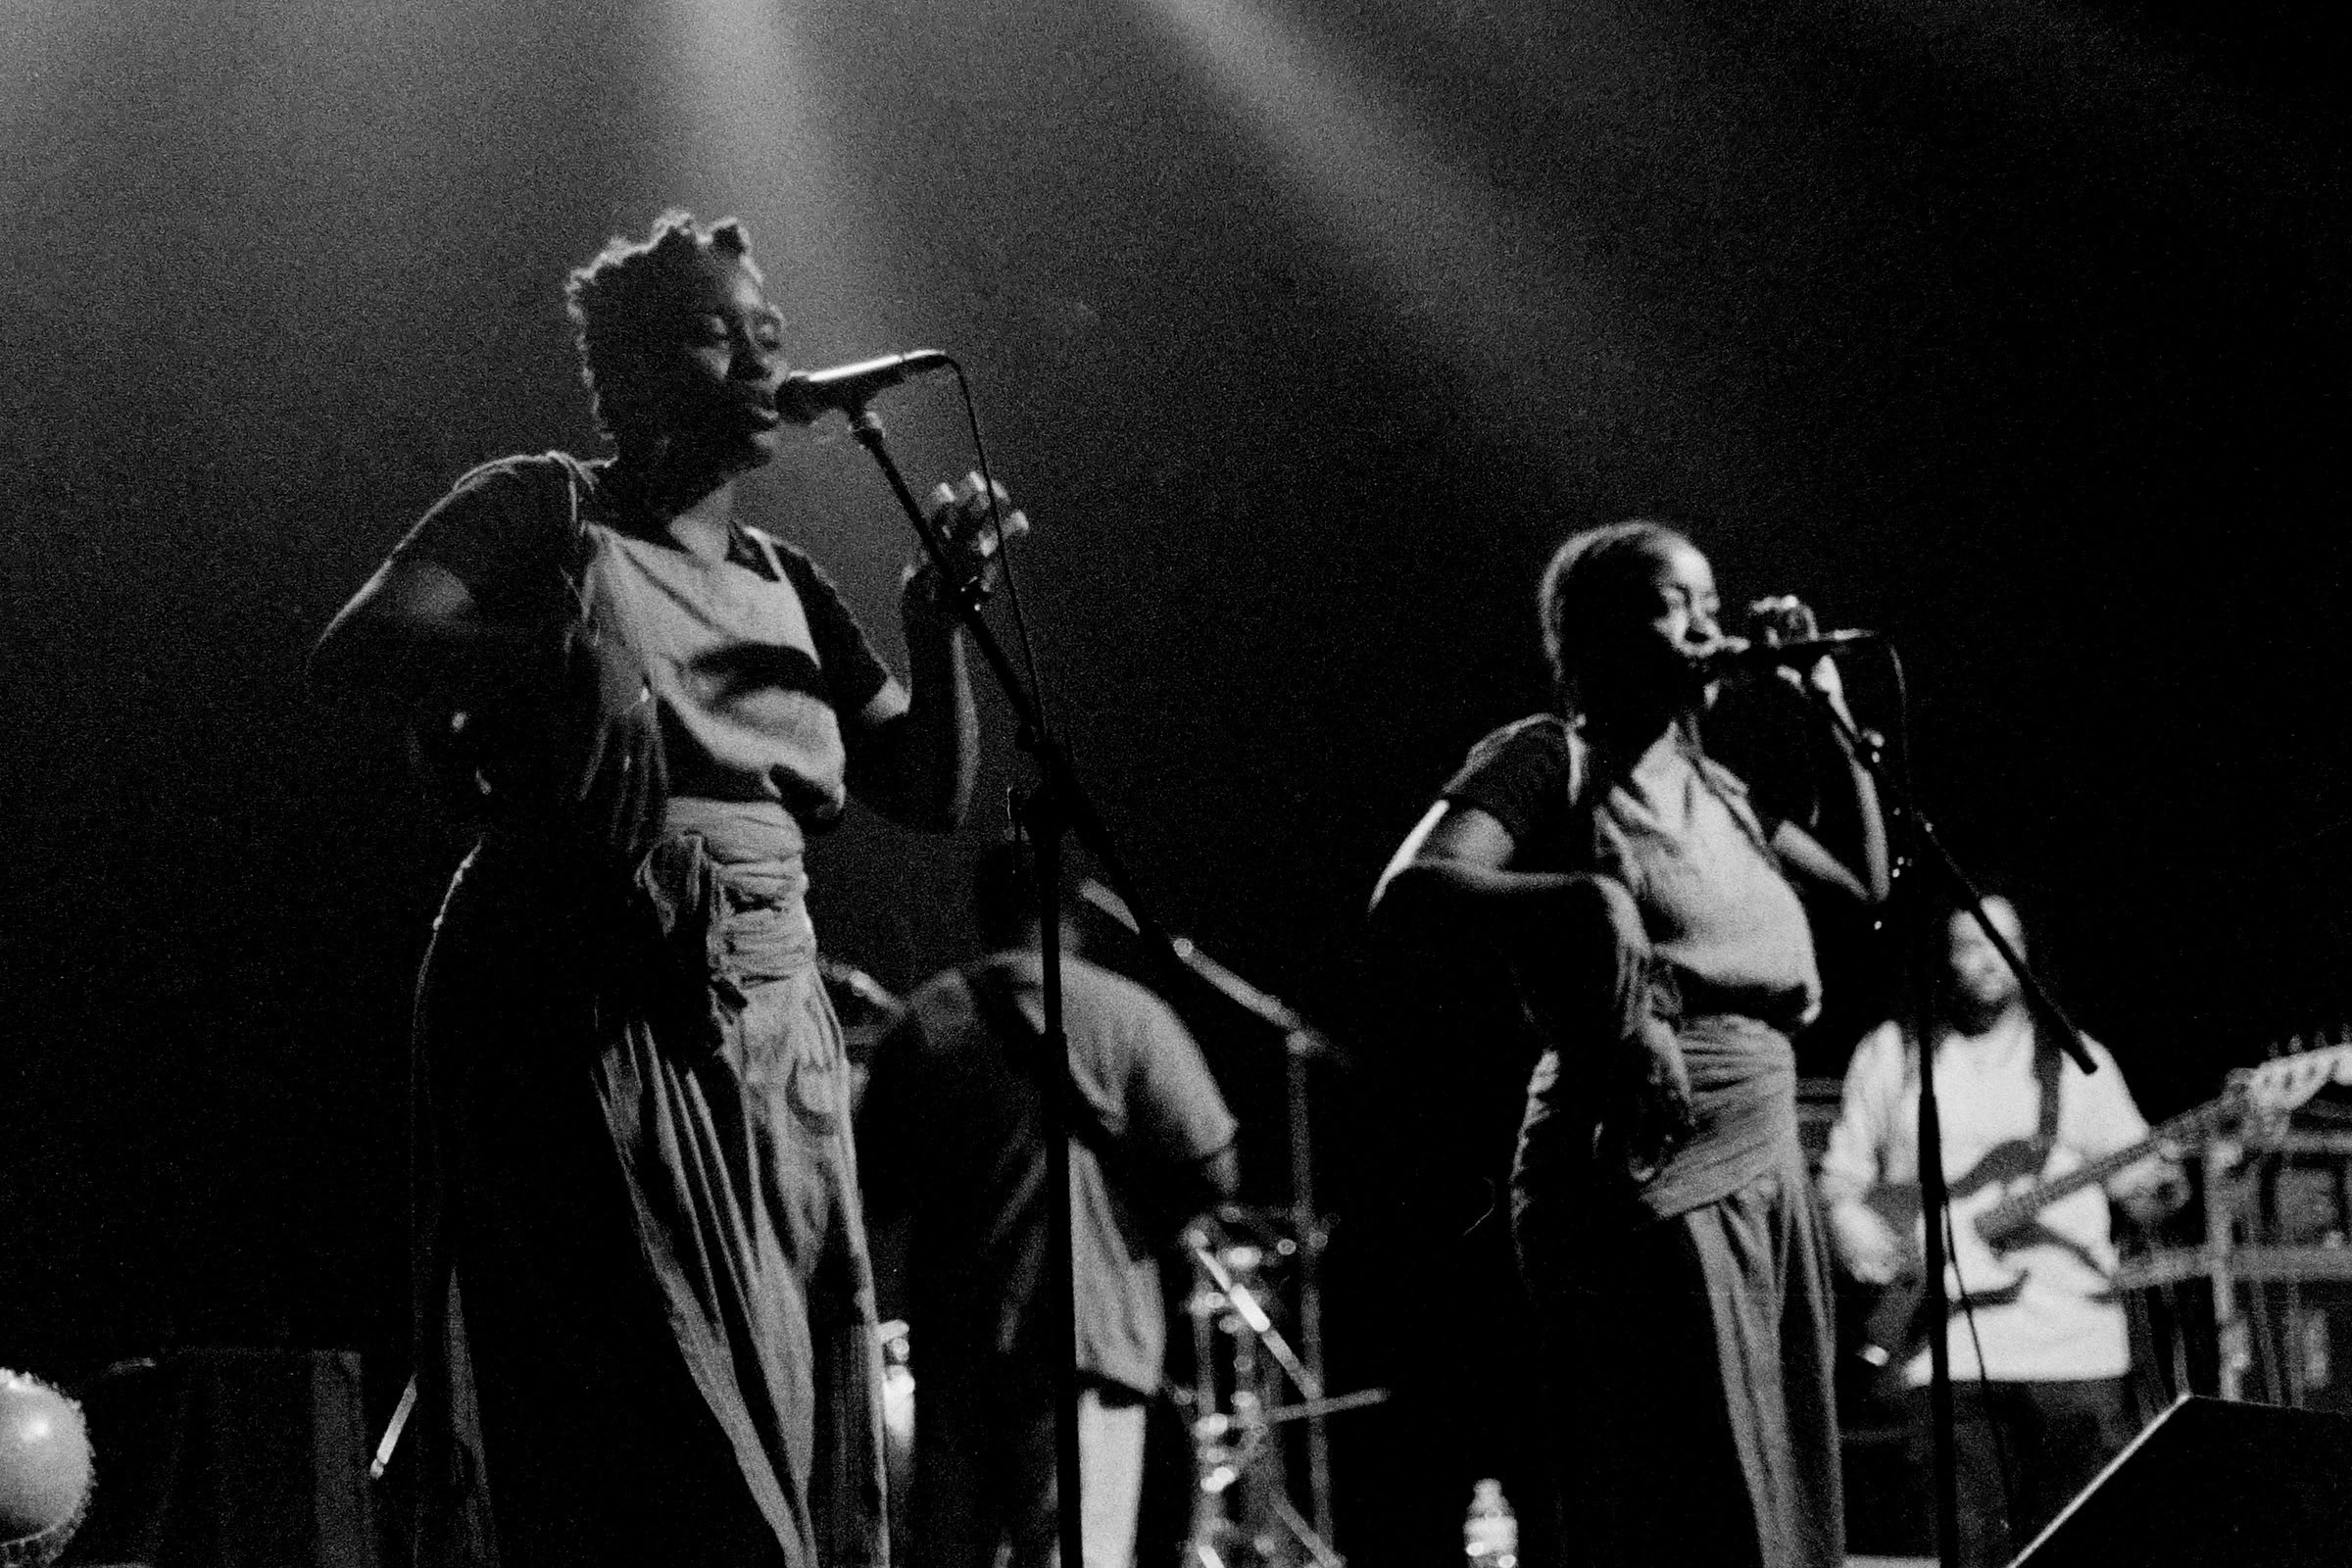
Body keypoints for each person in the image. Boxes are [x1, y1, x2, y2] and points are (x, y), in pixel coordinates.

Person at [312, 211, 1008, 1567]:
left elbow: (925, 789)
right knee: (678, 1442)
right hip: (594, 1002)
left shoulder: (786, 582)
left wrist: (937, 628)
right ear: (626, 375)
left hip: (773, 1039)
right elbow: (358, 651)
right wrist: (562, 658)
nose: (758, 359)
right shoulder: (542, 507)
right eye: (713, 330)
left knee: (792, 1425)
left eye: (772, 336)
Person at [1370, 520, 1888, 1568]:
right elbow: (1412, 893)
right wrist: (1591, 899)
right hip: (1643, 1153)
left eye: (1710, 598)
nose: (1708, 623)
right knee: (1694, 1498)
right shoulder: (1548, 756)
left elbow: (1867, 895)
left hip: (1764, 1152)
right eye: (1674, 600)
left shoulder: (1724, 790)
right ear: (1601, 631)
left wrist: (1829, 714)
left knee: (1782, 1483)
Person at [855, 842, 1240, 1568]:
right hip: (1088, 1341)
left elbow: (874, 1189)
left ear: (982, 912)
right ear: (1073, 915)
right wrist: (1142, 1227)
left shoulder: (924, 1023)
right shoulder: (1130, 1017)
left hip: (954, 1343)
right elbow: (1215, 1165)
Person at [1817, 895, 2184, 1568]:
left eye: (2002, 941)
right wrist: (1857, 1233)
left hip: (2074, 1357)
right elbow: (1839, 1184)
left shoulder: (2076, 1059)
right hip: (1942, 1355)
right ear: (1944, 957)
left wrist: (2218, 1156)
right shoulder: (1893, 1053)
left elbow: (2148, 1196)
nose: (1988, 958)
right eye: (1970, 944)